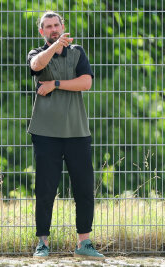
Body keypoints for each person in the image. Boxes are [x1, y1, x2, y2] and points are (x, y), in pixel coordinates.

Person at [27, 11, 104, 259]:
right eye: (48, 27)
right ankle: (43, 244)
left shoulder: (77, 52)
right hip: (45, 132)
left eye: (56, 25)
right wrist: (54, 47)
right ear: (42, 32)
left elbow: (85, 83)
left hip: (77, 131)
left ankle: (84, 243)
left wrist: (55, 84)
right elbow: (37, 66)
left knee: (83, 187)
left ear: (63, 26)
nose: (53, 29)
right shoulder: (37, 53)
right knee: (45, 189)